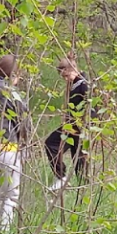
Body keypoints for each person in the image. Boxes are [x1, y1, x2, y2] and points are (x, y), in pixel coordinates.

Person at [0, 55, 27, 231]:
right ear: (13, 74)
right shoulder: (13, 94)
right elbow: (23, 123)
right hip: (7, 149)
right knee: (9, 197)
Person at [45, 55, 94, 191]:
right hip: (71, 125)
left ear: (74, 70)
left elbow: (93, 107)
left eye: (67, 75)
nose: (66, 79)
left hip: (78, 126)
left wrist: (85, 125)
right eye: (63, 77)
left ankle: (79, 186)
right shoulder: (74, 85)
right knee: (75, 156)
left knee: (53, 144)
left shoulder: (84, 84)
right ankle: (63, 178)